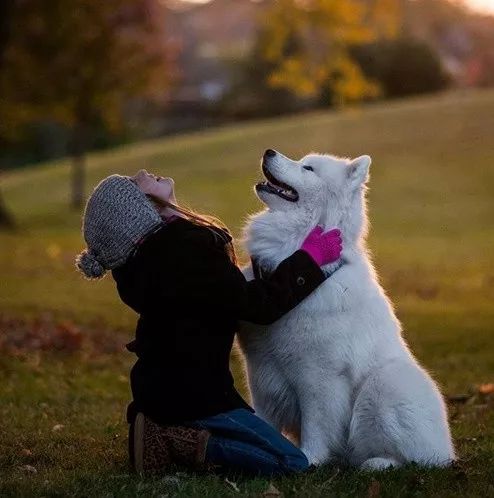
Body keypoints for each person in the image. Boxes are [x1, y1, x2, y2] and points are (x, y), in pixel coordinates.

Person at [75, 168, 342, 476]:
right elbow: (258, 305)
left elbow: (224, 292)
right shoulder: (188, 252)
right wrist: (310, 258)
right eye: (135, 182)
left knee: (263, 443)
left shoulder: (152, 262)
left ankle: (158, 430)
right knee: (292, 463)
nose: (143, 172)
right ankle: (178, 442)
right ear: (138, 209)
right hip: (197, 399)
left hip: (161, 391)